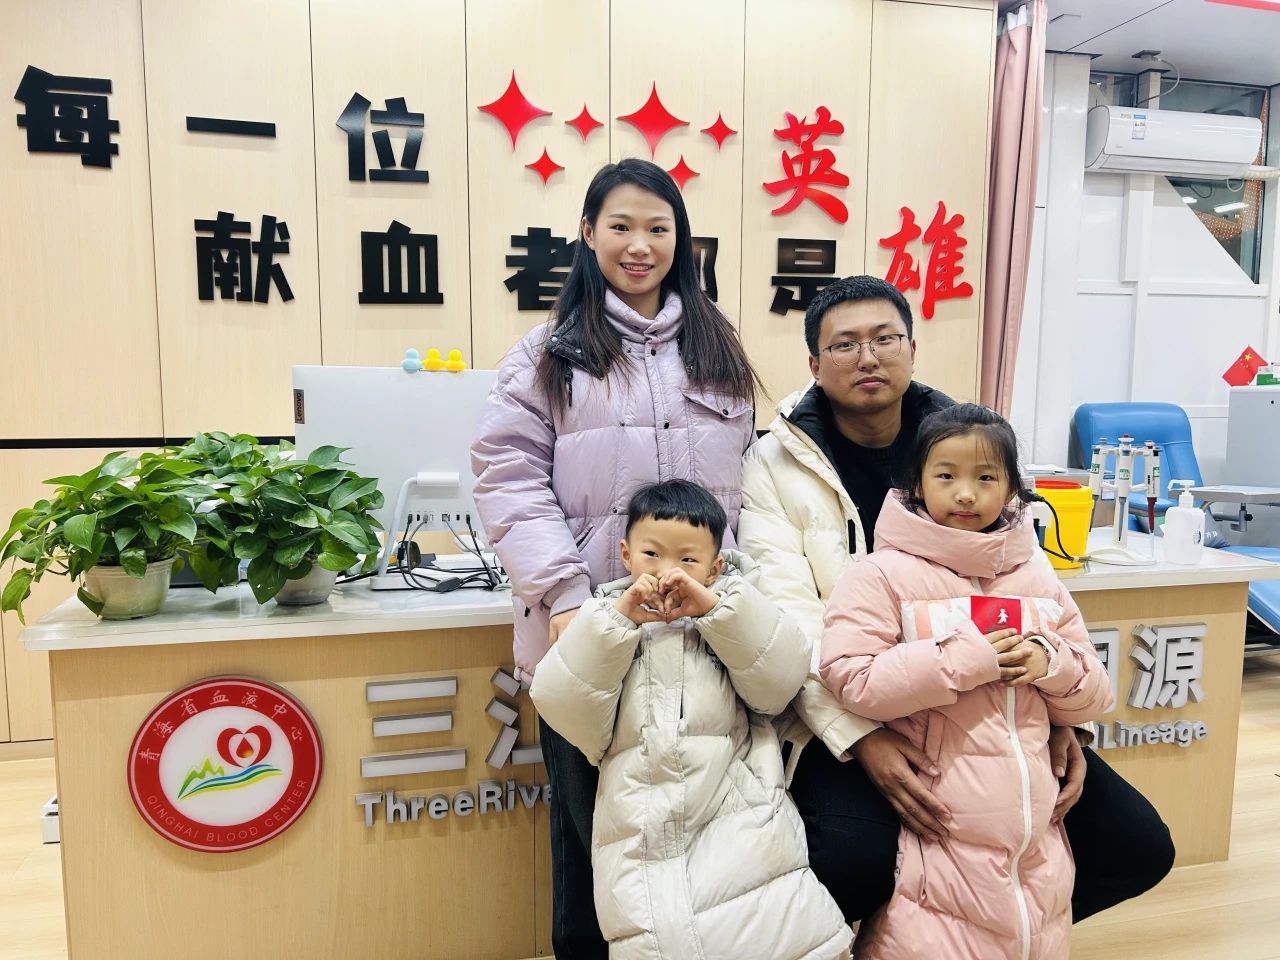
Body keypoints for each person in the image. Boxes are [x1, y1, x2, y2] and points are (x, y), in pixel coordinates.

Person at [737, 275, 1174, 924]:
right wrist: (861, 739)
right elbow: (790, 619)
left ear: (912, 349)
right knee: (853, 867)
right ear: (814, 364)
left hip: (991, 700)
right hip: (853, 705)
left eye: (885, 339)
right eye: (845, 344)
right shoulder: (775, 463)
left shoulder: (970, 441)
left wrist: (1062, 718)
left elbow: (1030, 584)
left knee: (1137, 846)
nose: (868, 357)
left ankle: (978, 930)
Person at [470, 159, 761, 960]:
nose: (640, 245)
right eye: (622, 226)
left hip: (701, 639)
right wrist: (566, 595)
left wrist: (740, 600)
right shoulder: (548, 354)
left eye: (658, 228)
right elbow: (507, 478)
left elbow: (744, 488)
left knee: (705, 839)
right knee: (588, 839)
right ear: (588, 234)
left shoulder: (717, 348)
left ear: (682, 240)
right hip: (588, 636)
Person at [820, 404, 1114, 958]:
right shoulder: (880, 574)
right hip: (939, 825)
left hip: (1035, 837)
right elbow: (852, 677)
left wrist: (1050, 663)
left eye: (985, 478)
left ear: (1012, 489)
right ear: (916, 484)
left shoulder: (1038, 578)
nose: (965, 494)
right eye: (946, 476)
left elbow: (1095, 694)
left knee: (1032, 934)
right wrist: (967, 658)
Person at [530, 480, 850, 960]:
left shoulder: (737, 605)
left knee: (766, 928)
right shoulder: (603, 616)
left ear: (715, 567)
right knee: (659, 933)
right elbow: (562, 705)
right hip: (638, 824)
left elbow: (779, 684)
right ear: (625, 555)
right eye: (651, 554)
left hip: (738, 812)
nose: (667, 572)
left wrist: (720, 612)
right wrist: (617, 622)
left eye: (688, 560)